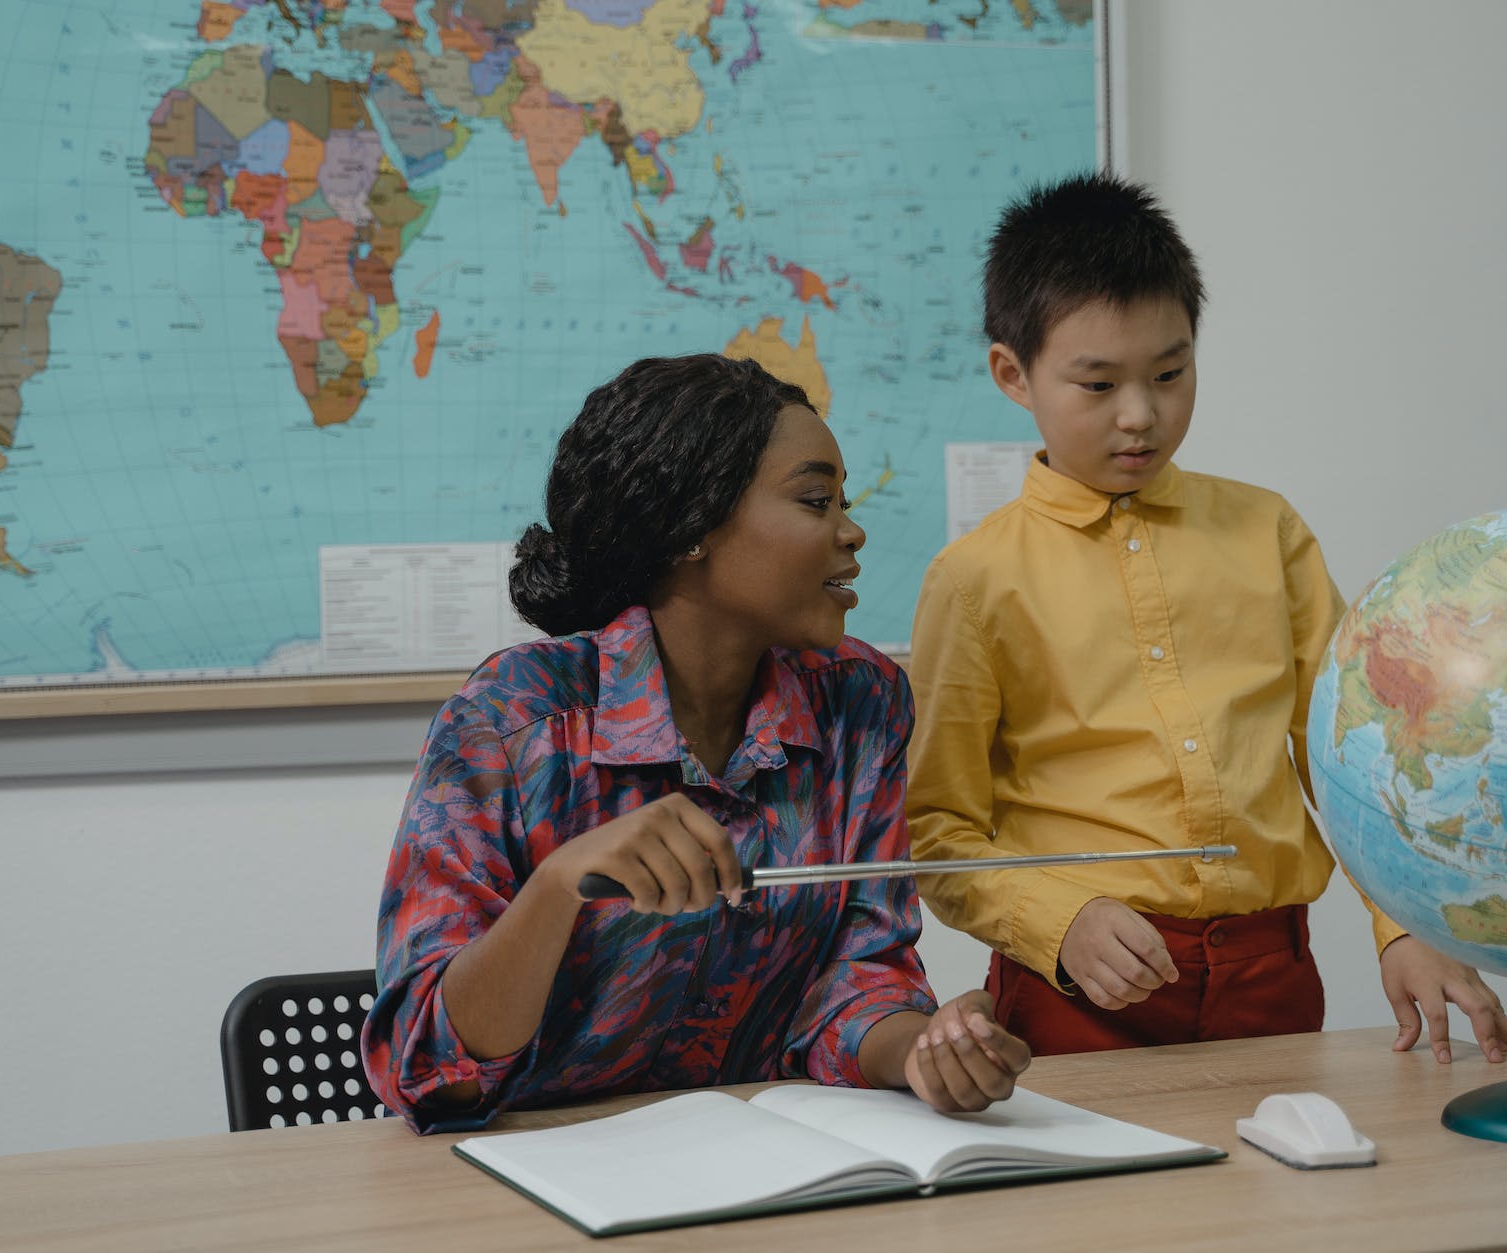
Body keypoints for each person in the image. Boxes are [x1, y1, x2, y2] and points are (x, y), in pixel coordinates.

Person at [906, 173, 1507, 1066]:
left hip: (1271, 970)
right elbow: (939, 833)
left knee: (1275, 1196)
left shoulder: (1264, 529)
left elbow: (1349, 754)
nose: (1142, 414)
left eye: (1171, 372)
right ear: (1014, 373)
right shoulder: (973, 580)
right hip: (1079, 984)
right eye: (1098, 383)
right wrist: (1058, 922)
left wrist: (1402, 924)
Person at [364, 354, 1030, 1132]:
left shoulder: (861, 700)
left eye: (843, 500)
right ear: (690, 528)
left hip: (766, 1166)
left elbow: (857, 978)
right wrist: (555, 888)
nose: (852, 530)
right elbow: (422, 1062)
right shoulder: (511, 722)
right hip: (533, 1176)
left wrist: (925, 1049)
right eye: (815, 500)